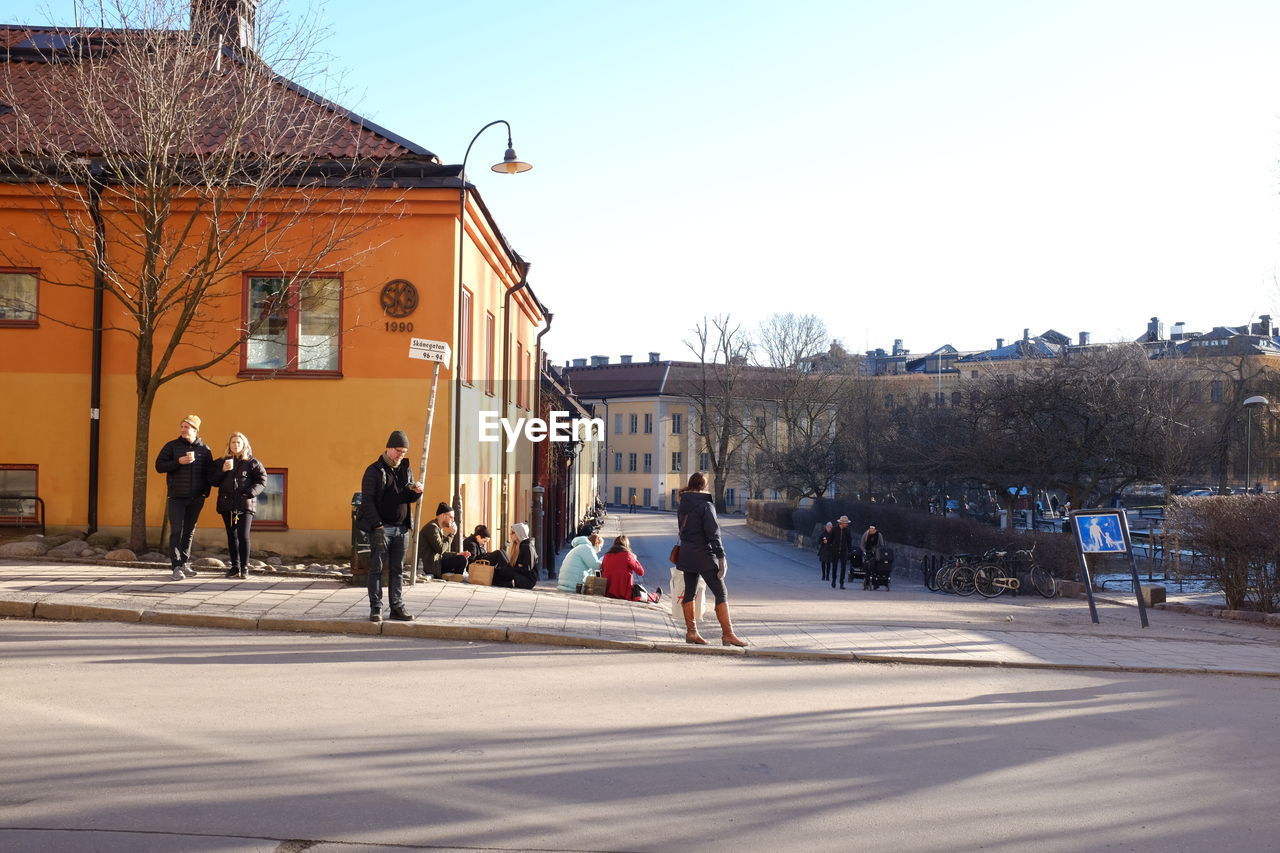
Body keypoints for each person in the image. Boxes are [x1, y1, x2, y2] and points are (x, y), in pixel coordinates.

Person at [356, 430, 423, 623]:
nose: (401, 454)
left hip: (401, 528)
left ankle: (397, 607)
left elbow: (407, 496)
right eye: (398, 451)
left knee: (397, 570)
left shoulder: (405, 469)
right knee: (376, 569)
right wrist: (377, 525)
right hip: (382, 528)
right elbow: (367, 501)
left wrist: (417, 492)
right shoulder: (374, 470)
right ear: (389, 448)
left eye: (404, 451)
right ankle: (376, 608)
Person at [676, 472, 746, 647]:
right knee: (721, 592)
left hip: (686, 554)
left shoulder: (683, 503)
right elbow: (713, 534)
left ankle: (691, 632)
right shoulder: (705, 505)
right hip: (704, 555)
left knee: (690, 592)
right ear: (704, 486)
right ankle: (728, 634)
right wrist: (721, 557)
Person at [154, 414, 214, 581]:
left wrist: (205, 493)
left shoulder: (205, 449)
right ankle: (176, 566)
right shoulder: (171, 446)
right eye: (181, 426)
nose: (183, 429)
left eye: (187, 427)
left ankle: (185, 563)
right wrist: (178, 462)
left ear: (195, 429)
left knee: (189, 531)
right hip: (176, 496)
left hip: (197, 498)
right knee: (176, 531)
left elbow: (209, 473)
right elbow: (159, 466)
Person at [207, 432, 267, 579]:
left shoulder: (252, 462)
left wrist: (250, 493)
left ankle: (244, 567)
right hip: (227, 504)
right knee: (231, 536)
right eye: (233, 442)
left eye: (238, 442)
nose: (235, 445)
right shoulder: (221, 462)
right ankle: (235, 566)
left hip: (245, 504)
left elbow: (262, 480)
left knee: (243, 535)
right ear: (229, 445)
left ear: (244, 445)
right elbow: (212, 480)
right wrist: (222, 471)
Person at [601, 535, 660, 602]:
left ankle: (655, 596)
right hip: (624, 593)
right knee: (640, 594)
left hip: (608, 592)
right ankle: (655, 596)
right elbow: (641, 572)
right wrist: (635, 560)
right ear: (626, 544)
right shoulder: (627, 555)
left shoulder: (606, 555)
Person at [421, 502, 470, 579]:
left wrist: (458, 554)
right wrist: (451, 535)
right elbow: (440, 549)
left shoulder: (438, 528)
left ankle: (453, 577)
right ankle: (452, 577)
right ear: (443, 515)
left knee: (462, 558)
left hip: (437, 563)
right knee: (461, 560)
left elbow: (441, 552)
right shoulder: (432, 528)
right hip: (432, 566)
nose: (453, 520)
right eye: (451, 517)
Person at [493, 522, 538, 588]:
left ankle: (510, 583)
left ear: (519, 533)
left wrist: (511, 569)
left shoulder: (527, 547)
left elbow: (526, 569)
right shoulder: (518, 545)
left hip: (528, 580)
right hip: (519, 575)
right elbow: (514, 565)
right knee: (497, 572)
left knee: (504, 572)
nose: (510, 534)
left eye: (513, 533)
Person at [831, 515, 856, 590]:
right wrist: (830, 546)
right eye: (846, 523)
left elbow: (849, 541)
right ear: (841, 523)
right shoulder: (834, 529)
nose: (847, 524)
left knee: (843, 567)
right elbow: (830, 539)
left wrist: (850, 550)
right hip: (835, 550)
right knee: (834, 567)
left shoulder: (847, 531)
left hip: (843, 551)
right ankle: (833, 581)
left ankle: (841, 583)